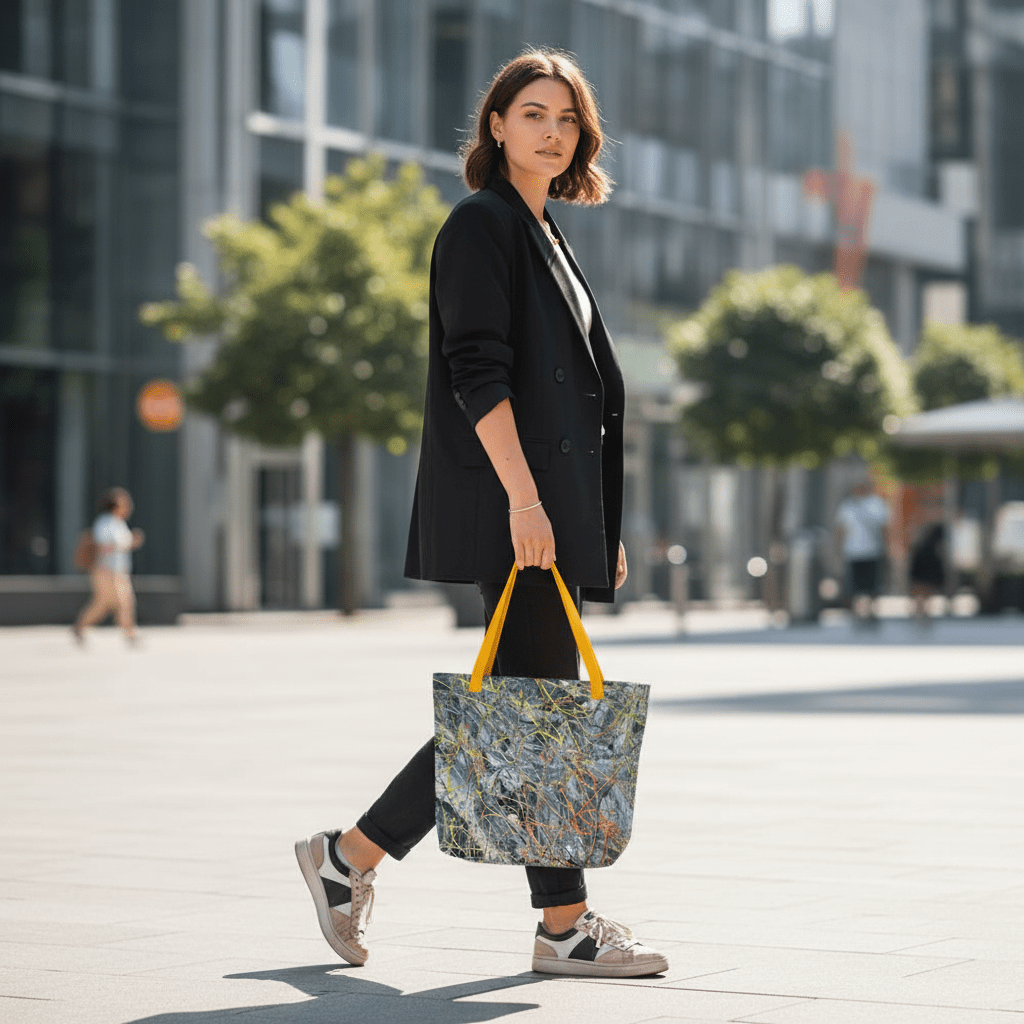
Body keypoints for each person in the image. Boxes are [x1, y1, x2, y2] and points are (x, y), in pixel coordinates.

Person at [294, 50, 668, 978]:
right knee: (530, 715)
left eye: (568, 119)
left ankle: (353, 861)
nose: (551, 131)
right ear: (495, 125)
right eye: (532, 113)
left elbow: (578, 401)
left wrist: (594, 523)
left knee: (524, 711)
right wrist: (530, 503)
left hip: (547, 513)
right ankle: (556, 927)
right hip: (514, 511)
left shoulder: (545, 233)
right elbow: (478, 372)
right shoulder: (481, 224)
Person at [72, 487, 144, 645]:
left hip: (118, 571)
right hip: (105, 570)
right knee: (115, 601)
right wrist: (129, 542)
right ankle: (128, 632)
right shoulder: (105, 522)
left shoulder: (118, 523)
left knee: (114, 602)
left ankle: (81, 628)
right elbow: (105, 546)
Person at [835, 481, 891, 623]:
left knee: (873, 583)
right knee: (854, 584)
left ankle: (872, 611)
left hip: (872, 551)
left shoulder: (876, 504)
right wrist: (839, 548)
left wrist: (887, 547)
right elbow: (841, 528)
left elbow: (884, 528)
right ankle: (857, 611)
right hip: (853, 551)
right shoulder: (847, 505)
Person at [909, 522, 945, 624]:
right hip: (923, 568)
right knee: (922, 592)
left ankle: (922, 614)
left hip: (925, 568)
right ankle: (921, 614)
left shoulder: (929, 546)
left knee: (923, 592)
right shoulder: (924, 546)